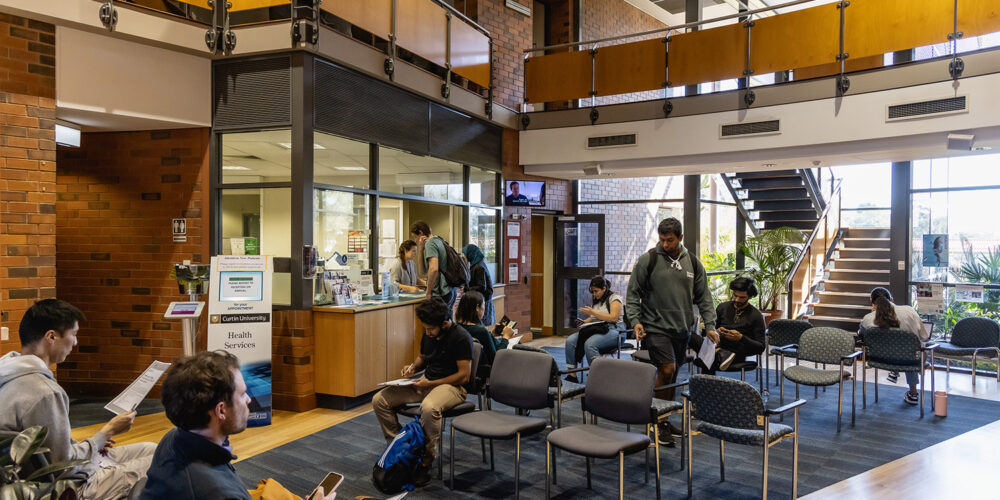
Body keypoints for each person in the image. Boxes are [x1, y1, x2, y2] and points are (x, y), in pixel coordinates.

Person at [0, 299, 155, 500]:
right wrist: (106, 433)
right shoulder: (44, 392)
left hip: (19, 479)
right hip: (65, 488)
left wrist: (91, 443)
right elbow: (62, 466)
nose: (75, 342)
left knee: (149, 448)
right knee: (159, 458)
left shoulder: (8, 373)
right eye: (73, 334)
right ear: (52, 336)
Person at [141, 351, 334, 500]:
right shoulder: (220, 492)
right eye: (242, 394)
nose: (249, 399)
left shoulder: (173, 438)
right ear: (221, 410)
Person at [626, 217, 716, 446]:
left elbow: (704, 297)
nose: (665, 244)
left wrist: (711, 326)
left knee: (672, 375)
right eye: (662, 239)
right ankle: (655, 420)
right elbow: (633, 294)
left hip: (682, 328)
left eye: (670, 240)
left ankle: (663, 420)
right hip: (655, 327)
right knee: (667, 368)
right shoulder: (649, 260)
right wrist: (636, 320)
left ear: (680, 238)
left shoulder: (693, 263)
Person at [372, 298, 474, 487]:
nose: (427, 333)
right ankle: (399, 449)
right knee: (379, 400)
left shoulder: (461, 337)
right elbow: (423, 357)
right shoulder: (429, 334)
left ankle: (425, 462)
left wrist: (431, 383)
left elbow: (464, 376)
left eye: (430, 329)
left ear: (444, 324)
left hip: (453, 387)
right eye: (425, 329)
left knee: (429, 407)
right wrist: (411, 368)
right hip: (426, 382)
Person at [859, 287, 927, 406]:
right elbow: (923, 336)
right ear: (892, 299)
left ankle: (894, 370)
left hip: (881, 359)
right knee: (911, 349)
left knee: (896, 345)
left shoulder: (867, 319)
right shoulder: (909, 311)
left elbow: (863, 336)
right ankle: (913, 392)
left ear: (872, 302)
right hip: (910, 360)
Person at [689, 277, 766, 373]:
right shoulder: (723, 307)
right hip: (718, 345)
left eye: (742, 297)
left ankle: (714, 357)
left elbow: (761, 347)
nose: (737, 300)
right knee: (690, 336)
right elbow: (710, 330)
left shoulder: (756, 315)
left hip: (738, 350)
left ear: (750, 297)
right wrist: (716, 332)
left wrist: (741, 338)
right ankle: (719, 354)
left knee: (708, 360)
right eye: (735, 295)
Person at [564, 276, 624, 382]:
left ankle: (600, 377)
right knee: (570, 341)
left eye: (596, 291)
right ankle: (572, 375)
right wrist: (583, 323)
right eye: (592, 292)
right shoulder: (597, 301)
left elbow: (613, 318)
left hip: (615, 330)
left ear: (604, 288)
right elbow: (593, 319)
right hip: (599, 329)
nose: (594, 294)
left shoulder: (614, 298)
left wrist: (592, 312)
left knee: (590, 344)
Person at [455, 290, 516, 375]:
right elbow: (496, 359)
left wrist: (492, 334)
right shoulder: (481, 331)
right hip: (489, 371)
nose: (484, 308)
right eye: (484, 304)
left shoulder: (457, 328)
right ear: (477, 307)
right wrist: (506, 337)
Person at [410, 221, 456, 314]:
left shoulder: (430, 244)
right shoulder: (438, 240)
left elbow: (434, 269)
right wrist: (421, 250)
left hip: (440, 292)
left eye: (415, 237)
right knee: (447, 323)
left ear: (421, 233)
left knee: (437, 324)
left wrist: (428, 291)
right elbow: (422, 272)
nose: (415, 240)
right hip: (449, 290)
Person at [463, 243, 495, 325]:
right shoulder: (478, 264)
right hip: (482, 300)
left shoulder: (478, 267)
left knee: (484, 324)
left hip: (484, 301)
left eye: (465, 254)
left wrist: (467, 289)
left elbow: (481, 287)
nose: (465, 257)